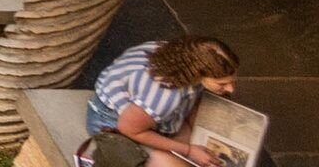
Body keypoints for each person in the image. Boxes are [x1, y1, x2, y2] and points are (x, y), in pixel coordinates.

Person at [85, 35, 240, 167]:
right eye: (222, 84)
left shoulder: (182, 56)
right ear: (198, 73)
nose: (231, 89)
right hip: (113, 120)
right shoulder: (165, 95)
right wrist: (188, 150)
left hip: (141, 110)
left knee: (198, 143)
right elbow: (129, 129)